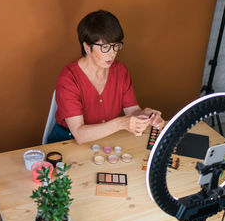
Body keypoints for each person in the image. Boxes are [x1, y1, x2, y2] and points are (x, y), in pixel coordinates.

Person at [48, 10, 164, 144]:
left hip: (105, 138)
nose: (112, 53)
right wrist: (121, 124)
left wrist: (147, 114)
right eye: (105, 47)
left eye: (115, 46)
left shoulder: (120, 71)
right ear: (87, 47)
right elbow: (80, 134)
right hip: (67, 141)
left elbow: (132, 111)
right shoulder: (69, 78)